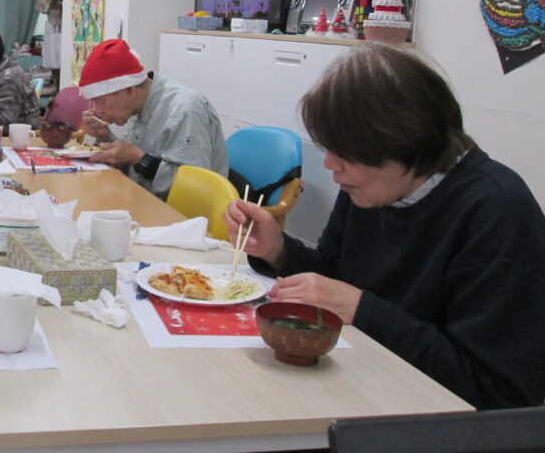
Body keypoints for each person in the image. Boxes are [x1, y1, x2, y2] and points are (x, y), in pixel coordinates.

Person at [224, 44, 545, 410]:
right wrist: (278, 251)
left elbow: (497, 392)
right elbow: (333, 274)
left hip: (428, 416)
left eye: (345, 152)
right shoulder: (374, 186)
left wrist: (363, 309)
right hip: (360, 382)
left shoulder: (497, 213)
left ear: (404, 140)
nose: (330, 164)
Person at [80, 39, 228, 200]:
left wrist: (138, 158)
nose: (97, 110)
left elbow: (194, 189)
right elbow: (134, 167)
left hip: (183, 211)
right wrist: (105, 137)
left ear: (130, 90)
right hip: (144, 200)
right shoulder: (136, 106)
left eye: (100, 101)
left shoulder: (185, 109)